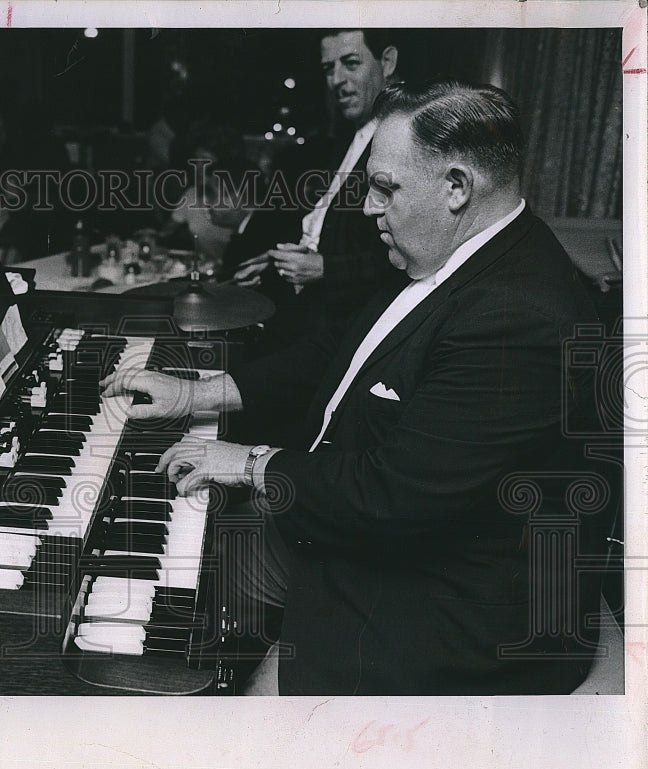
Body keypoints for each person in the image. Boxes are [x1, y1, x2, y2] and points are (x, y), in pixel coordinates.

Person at [101, 79, 603, 695]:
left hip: (458, 611)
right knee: (202, 549)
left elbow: (394, 497)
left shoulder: (517, 318)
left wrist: (252, 463)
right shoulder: (444, 253)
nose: (369, 208)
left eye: (386, 188)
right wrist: (198, 394)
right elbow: (335, 354)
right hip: (366, 517)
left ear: (456, 188)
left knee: (204, 592)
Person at [234, 30, 403, 337]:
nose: (337, 80)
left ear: (387, 62)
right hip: (311, 314)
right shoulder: (348, 137)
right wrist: (280, 261)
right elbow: (331, 227)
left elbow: (408, 254)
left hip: (350, 332)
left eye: (351, 63)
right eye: (329, 68)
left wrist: (324, 268)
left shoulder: (403, 139)